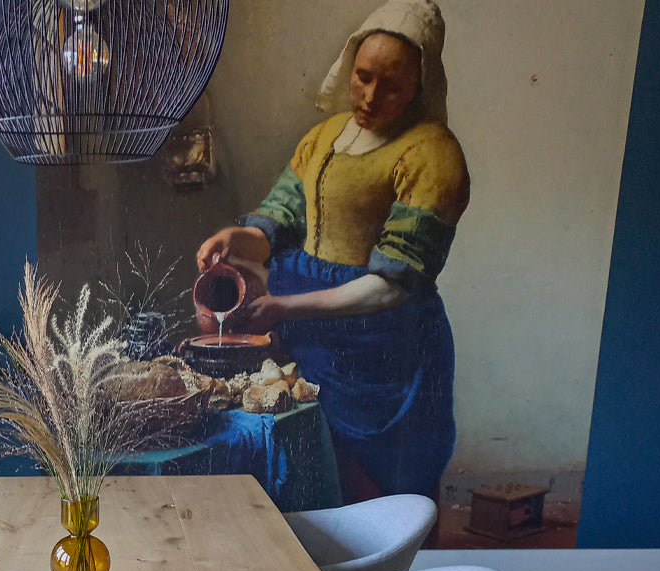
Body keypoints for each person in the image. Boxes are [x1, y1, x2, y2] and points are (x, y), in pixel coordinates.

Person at [196, 0, 469, 504]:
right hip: (308, 336)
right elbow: (277, 223)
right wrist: (235, 238)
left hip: (382, 345)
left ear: (419, 85)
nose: (370, 95)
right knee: (310, 466)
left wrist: (285, 307)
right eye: (363, 77)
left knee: (378, 494)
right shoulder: (324, 137)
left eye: (391, 85)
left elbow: (394, 285)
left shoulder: (433, 154)